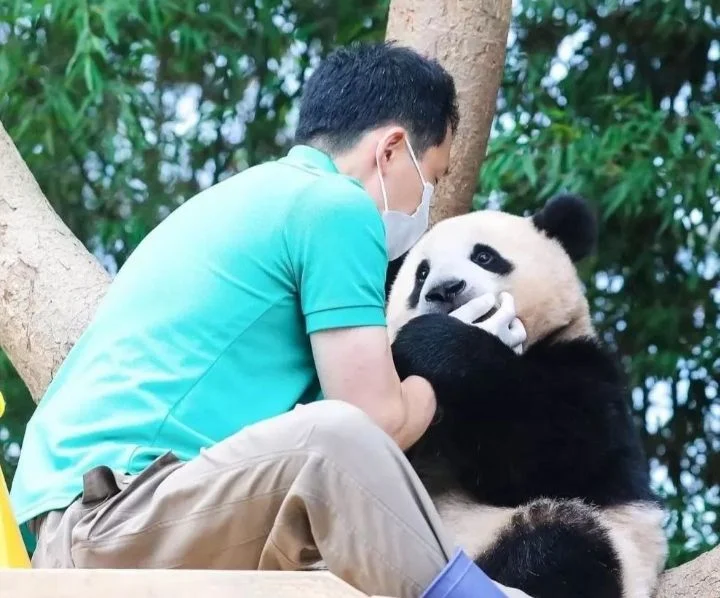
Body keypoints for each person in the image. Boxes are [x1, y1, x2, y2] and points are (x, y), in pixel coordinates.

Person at [10, 41, 529, 598]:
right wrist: (459, 357)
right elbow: (372, 424)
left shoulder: (254, 198)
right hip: (111, 523)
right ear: (392, 150)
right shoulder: (334, 206)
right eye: (433, 177)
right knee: (334, 438)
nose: (427, 205)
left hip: (99, 524)